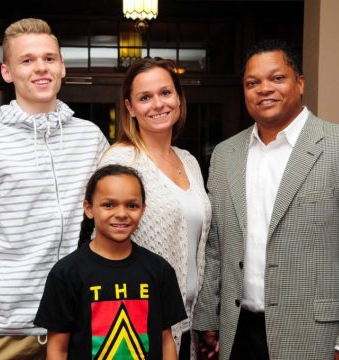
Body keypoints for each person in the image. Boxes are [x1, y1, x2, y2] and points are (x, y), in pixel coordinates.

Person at [192, 39, 339, 360]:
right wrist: (208, 316)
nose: (264, 89)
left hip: (316, 335)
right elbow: (216, 246)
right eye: (252, 83)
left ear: (300, 83)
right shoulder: (226, 154)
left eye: (277, 78)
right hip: (238, 331)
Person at [0, 18, 109, 359]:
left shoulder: (90, 138)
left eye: (49, 58)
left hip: (82, 326)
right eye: (27, 60)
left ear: (61, 66)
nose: (40, 68)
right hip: (7, 336)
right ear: (6, 72)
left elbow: (110, 221)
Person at [98, 57, 212, 358]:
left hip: (189, 319)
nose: (158, 104)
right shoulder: (121, 161)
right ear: (130, 107)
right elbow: (103, 246)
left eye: (165, 93)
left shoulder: (189, 161)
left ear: (179, 99)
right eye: (145, 97)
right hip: (137, 318)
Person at [34, 164, 187, 359]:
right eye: (109, 205)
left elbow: (166, 340)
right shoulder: (65, 273)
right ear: (89, 209)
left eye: (132, 205)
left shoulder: (160, 270)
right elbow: (58, 350)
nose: (121, 213)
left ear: (143, 209)